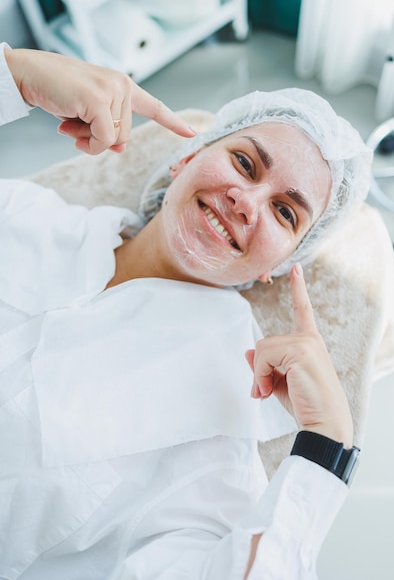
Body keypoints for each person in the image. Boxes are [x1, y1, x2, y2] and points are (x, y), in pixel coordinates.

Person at [0, 43, 372, 579]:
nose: (248, 201)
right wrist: (16, 75)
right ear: (187, 155)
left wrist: (325, 450)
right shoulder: (27, 214)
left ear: (281, 262)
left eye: (284, 212)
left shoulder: (220, 401)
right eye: (244, 163)